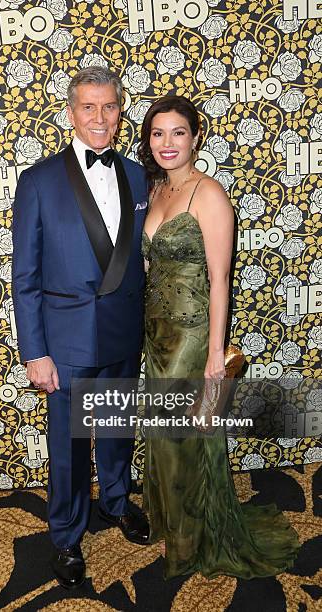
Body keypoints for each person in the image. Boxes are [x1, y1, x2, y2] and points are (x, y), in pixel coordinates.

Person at [138, 95, 300, 579]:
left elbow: (220, 278)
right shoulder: (156, 190)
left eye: (178, 133)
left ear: (196, 138)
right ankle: (174, 522)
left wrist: (214, 354)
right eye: (157, 133)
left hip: (191, 337)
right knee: (164, 435)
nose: (167, 143)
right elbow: (150, 266)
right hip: (156, 334)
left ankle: (194, 538)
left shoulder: (208, 195)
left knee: (187, 435)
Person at [11, 66, 150, 590]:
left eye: (109, 106)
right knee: (69, 447)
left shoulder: (138, 176)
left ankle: (116, 502)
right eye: (88, 107)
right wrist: (34, 351)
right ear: (70, 113)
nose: (99, 117)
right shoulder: (38, 180)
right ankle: (66, 536)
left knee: (116, 431)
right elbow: (24, 274)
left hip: (121, 332)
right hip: (64, 342)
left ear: (120, 112)